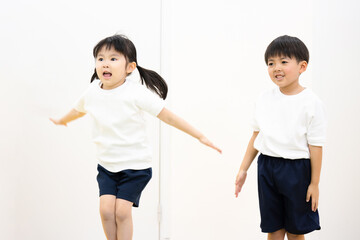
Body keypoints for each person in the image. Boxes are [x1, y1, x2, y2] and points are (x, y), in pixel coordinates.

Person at [50, 34, 221, 240]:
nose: (105, 64)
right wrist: (63, 120)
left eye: (113, 59)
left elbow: (168, 117)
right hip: (107, 165)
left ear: (130, 67)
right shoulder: (92, 92)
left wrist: (200, 136)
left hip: (135, 166)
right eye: (101, 58)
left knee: (121, 211)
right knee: (105, 211)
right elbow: (78, 110)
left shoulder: (136, 93)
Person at [234, 35, 326, 240]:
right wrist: (243, 169)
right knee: (273, 228)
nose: (276, 67)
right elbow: (256, 137)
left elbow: (316, 146)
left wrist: (314, 183)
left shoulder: (311, 102)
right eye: (271, 63)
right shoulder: (264, 98)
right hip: (267, 167)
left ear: (302, 66)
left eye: (284, 62)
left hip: (297, 170)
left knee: (295, 230)